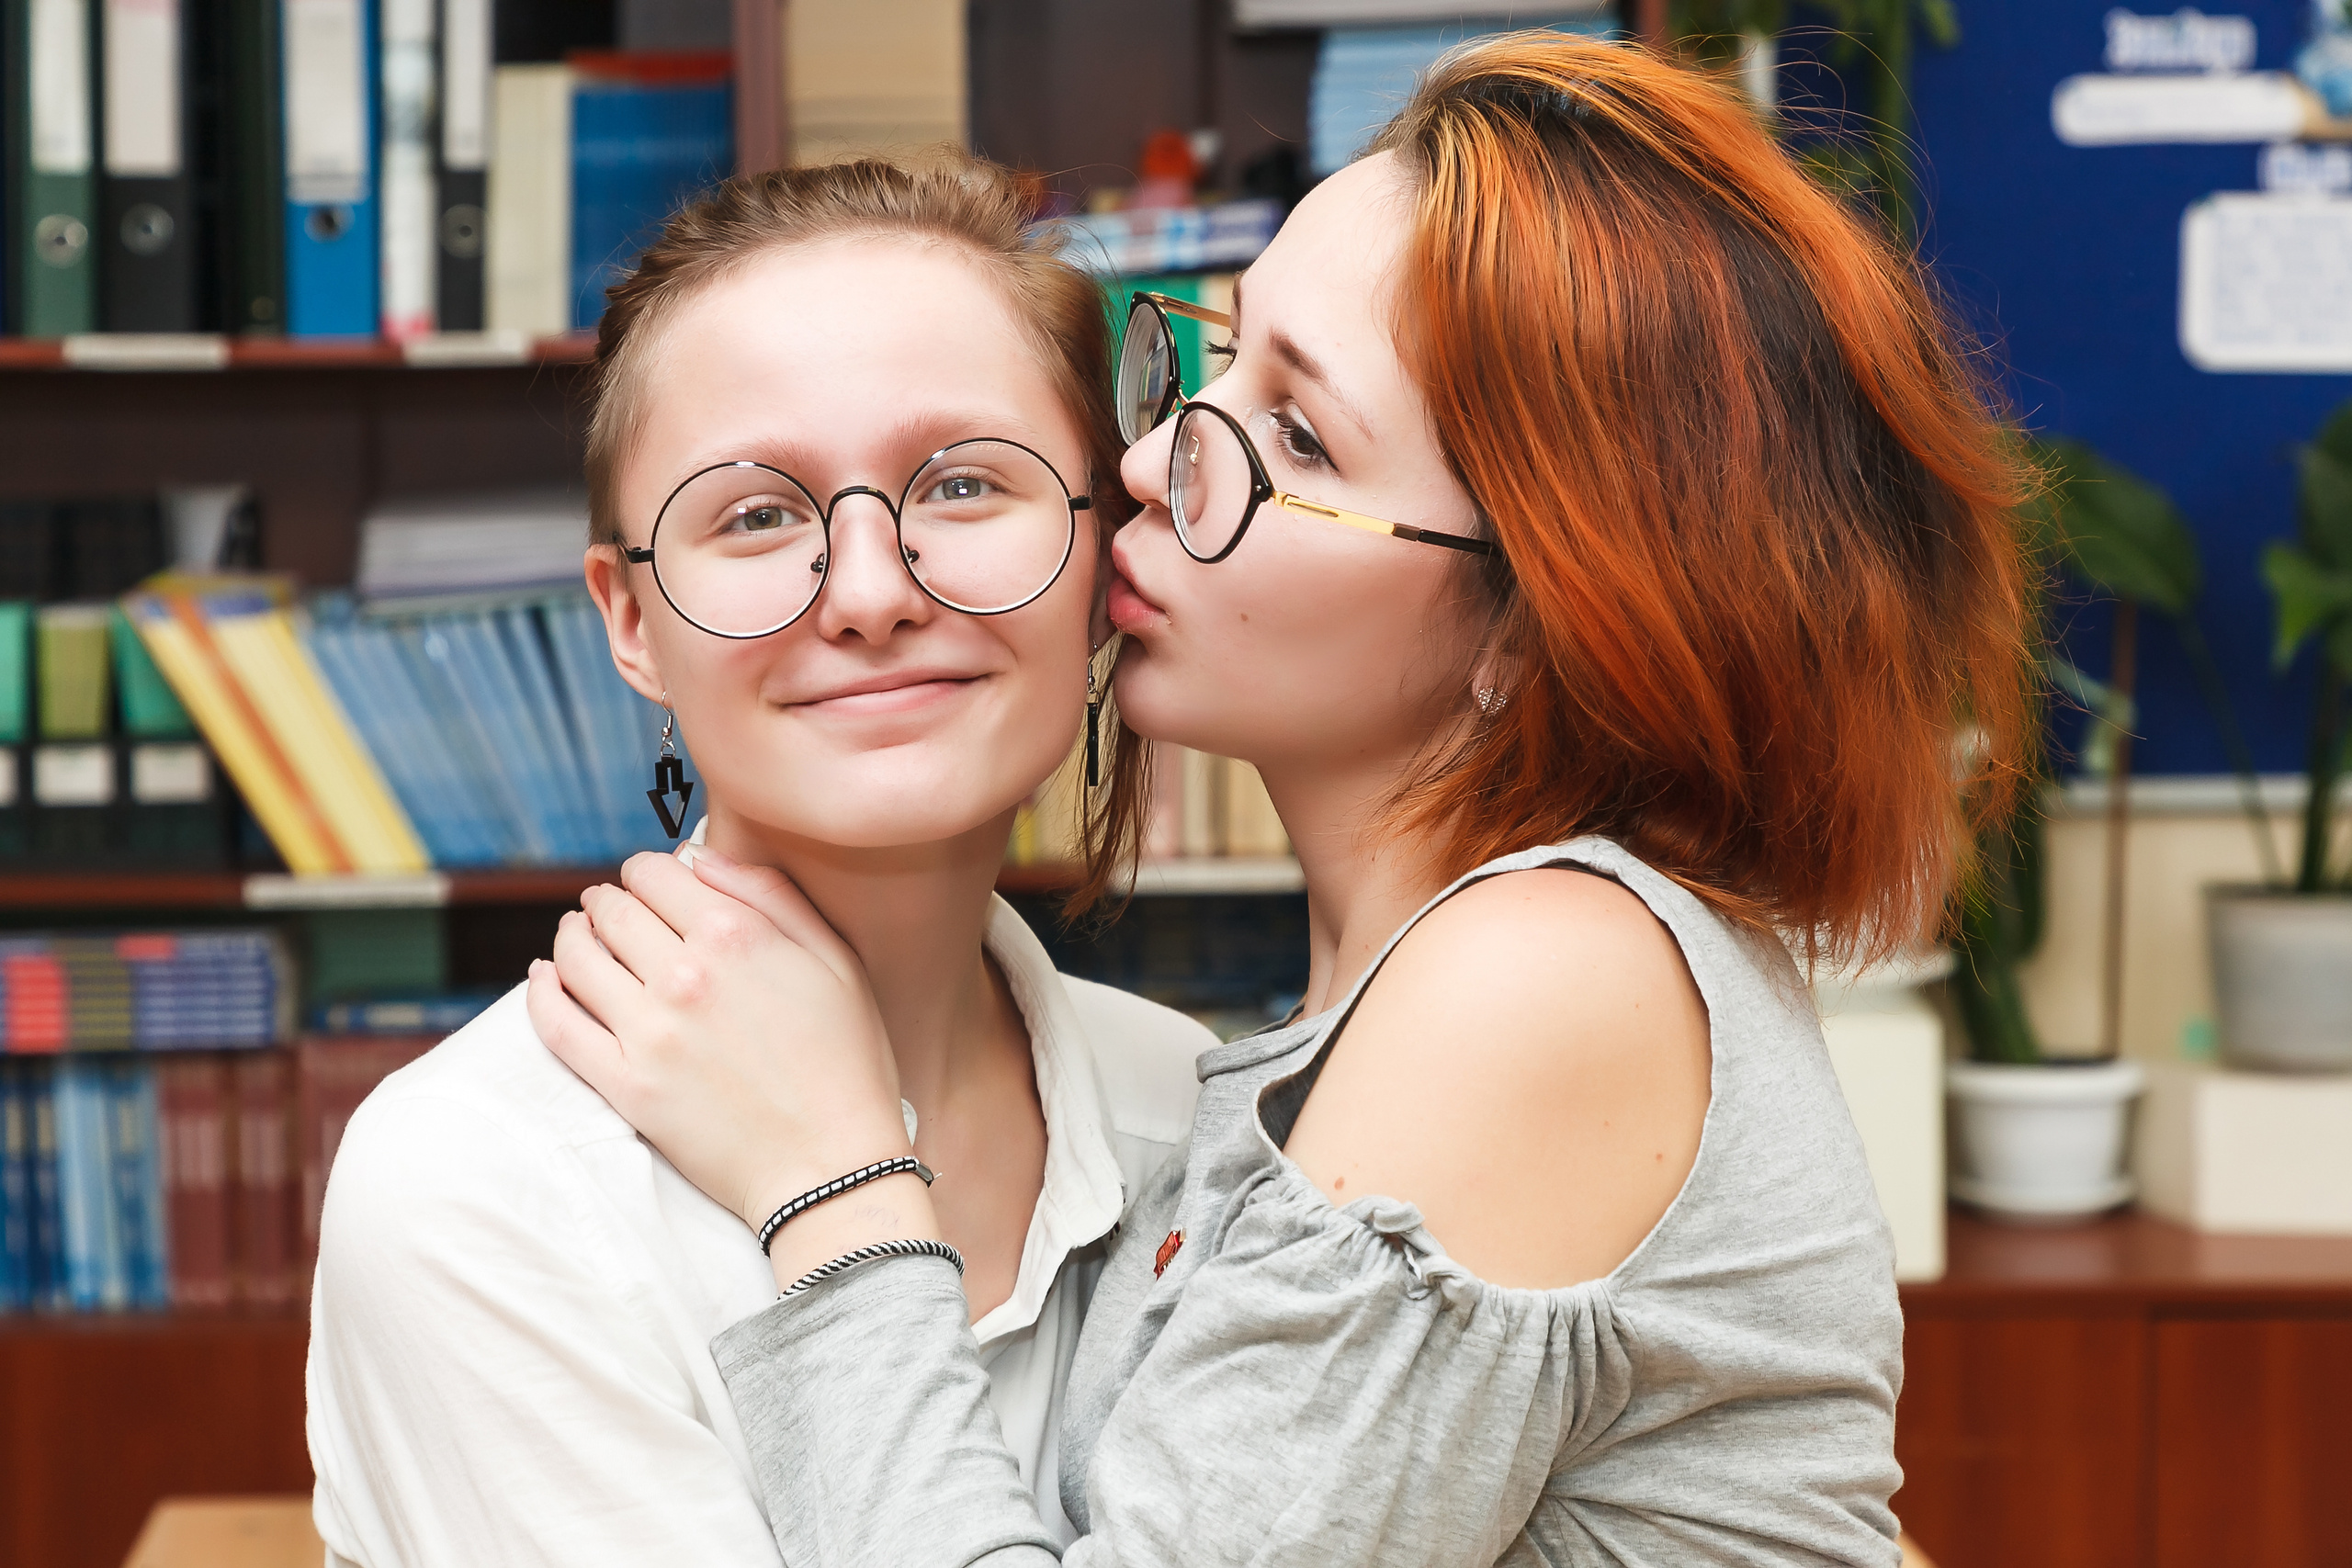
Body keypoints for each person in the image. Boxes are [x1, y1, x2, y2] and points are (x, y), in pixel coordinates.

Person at [533, 33, 2034, 1567]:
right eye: (1220, 365)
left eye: (1300, 435)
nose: (1157, 455)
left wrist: (832, 1183)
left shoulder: (1539, 979)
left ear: (1539, 624)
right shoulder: (1357, 1015)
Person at [304, 156, 1218, 1567]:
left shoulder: (1197, 1114)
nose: (868, 594)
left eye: (966, 483)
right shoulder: (476, 1183)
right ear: (629, 620)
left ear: (1105, 550)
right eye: (757, 514)